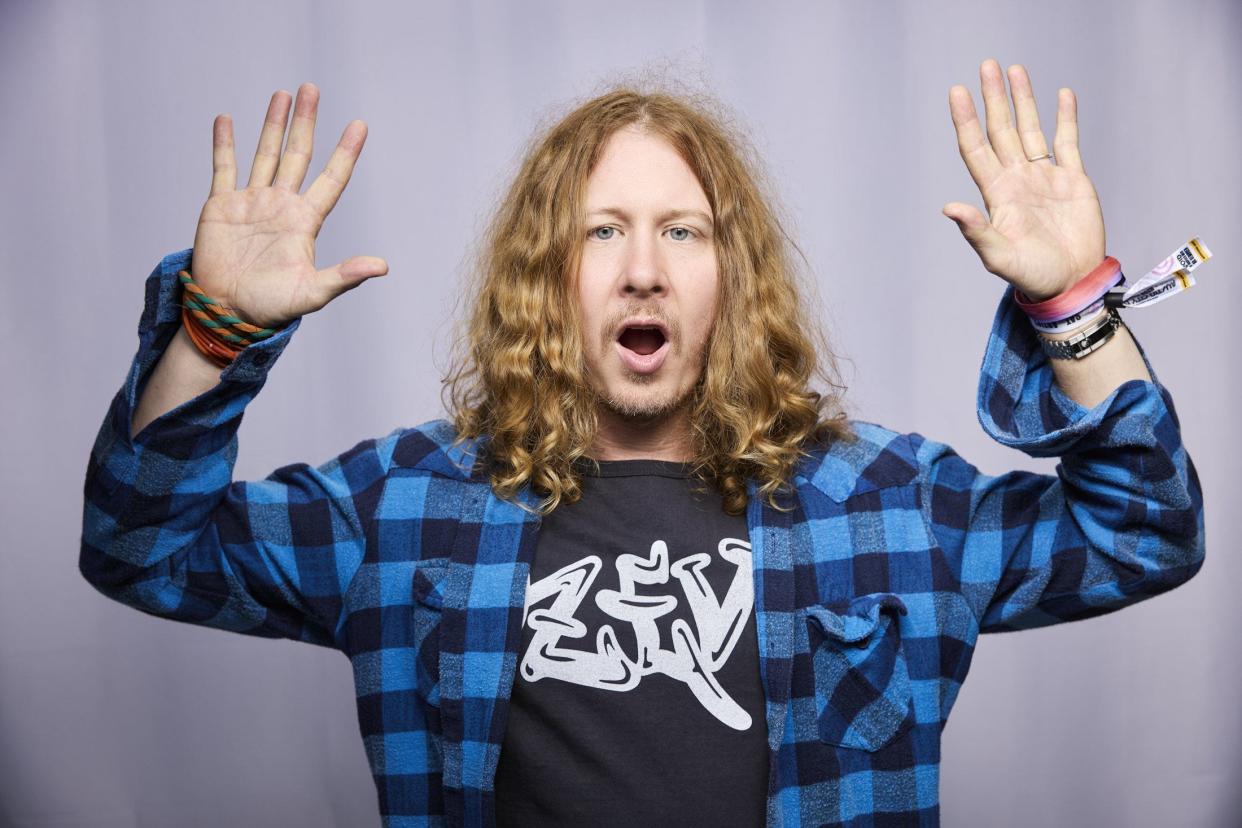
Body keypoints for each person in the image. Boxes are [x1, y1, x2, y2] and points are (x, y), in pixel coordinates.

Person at [80, 59, 1204, 827]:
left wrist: (1074, 308)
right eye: (601, 231)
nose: (644, 268)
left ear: (732, 276)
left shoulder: (890, 503)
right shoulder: (408, 503)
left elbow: (1145, 533)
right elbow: (140, 547)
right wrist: (212, 333)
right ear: (546, 278)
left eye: (683, 230)